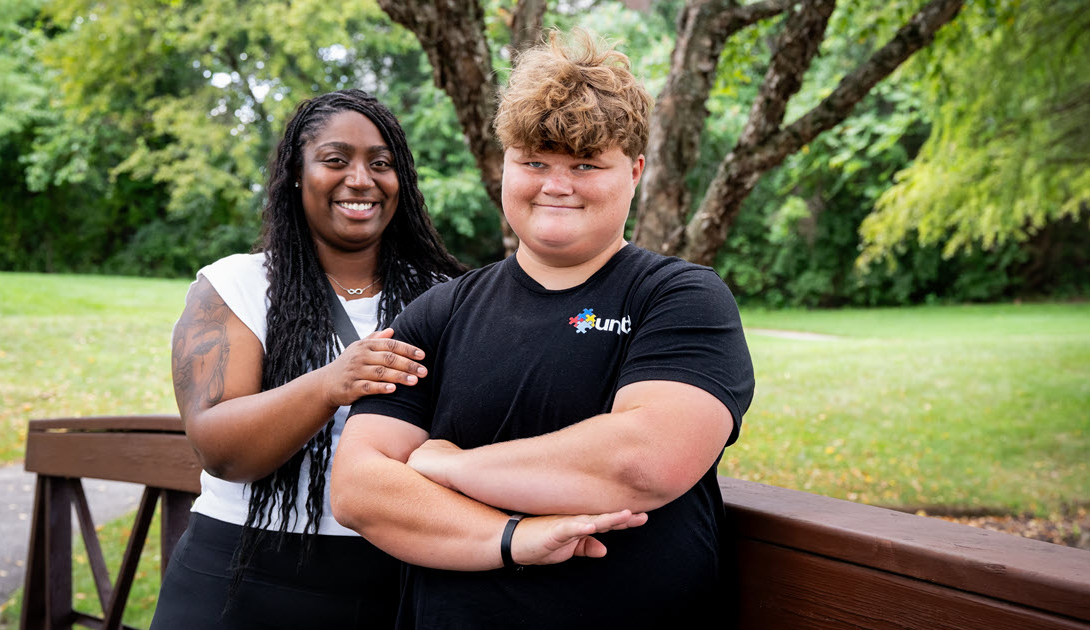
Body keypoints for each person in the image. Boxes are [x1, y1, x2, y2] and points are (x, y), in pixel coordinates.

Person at [332, 30, 755, 629]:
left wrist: (449, 466)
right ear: (505, 165)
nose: (556, 185)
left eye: (586, 164)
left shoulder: (681, 298)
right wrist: (513, 538)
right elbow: (358, 487)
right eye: (534, 162)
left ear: (634, 170)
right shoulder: (438, 313)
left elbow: (644, 461)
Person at [150, 89, 466, 628]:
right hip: (242, 574)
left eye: (382, 163)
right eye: (336, 160)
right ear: (298, 175)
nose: (361, 179)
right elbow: (220, 449)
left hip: (397, 578)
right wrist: (330, 384)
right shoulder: (235, 286)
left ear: (402, 183)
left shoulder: (448, 298)